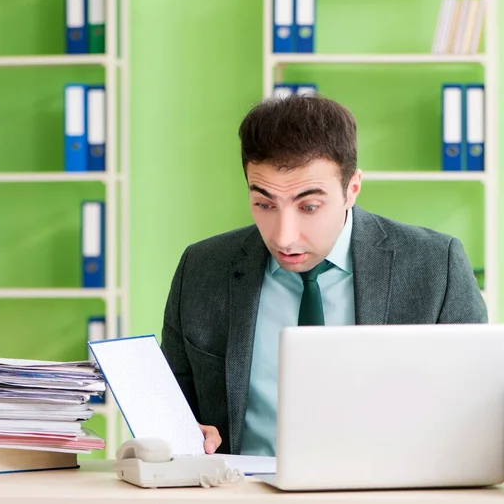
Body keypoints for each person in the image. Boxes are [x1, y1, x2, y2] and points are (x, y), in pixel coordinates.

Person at [160, 94, 487, 458]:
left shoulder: (435, 267)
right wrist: (174, 436)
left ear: (352, 190)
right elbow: (170, 416)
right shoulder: (202, 268)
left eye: (309, 206)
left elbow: (477, 412)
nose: (283, 236)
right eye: (264, 204)